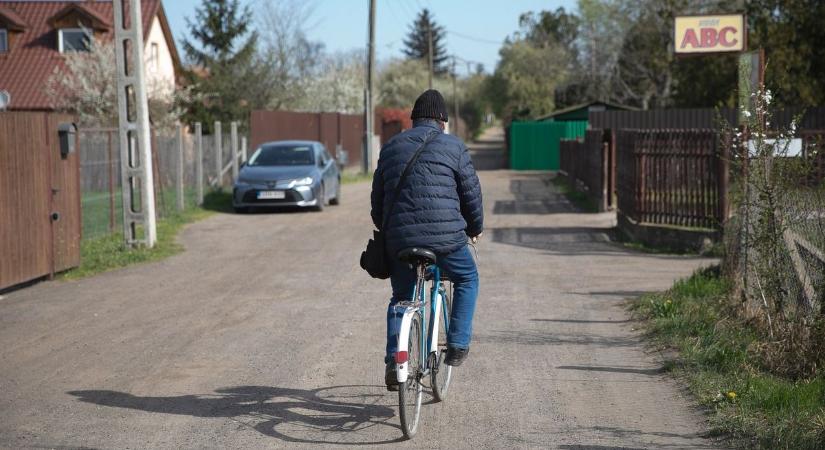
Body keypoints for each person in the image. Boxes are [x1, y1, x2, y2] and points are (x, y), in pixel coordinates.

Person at [370, 89, 483, 391]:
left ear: (414, 119)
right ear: (442, 121)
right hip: (446, 240)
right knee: (467, 277)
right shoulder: (454, 147)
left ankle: (396, 359)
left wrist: (389, 228)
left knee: (401, 298)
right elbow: (470, 194)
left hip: (400, 240)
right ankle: (457, 343)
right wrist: (475, 227)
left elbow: (378, 199)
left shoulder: (392, 147)